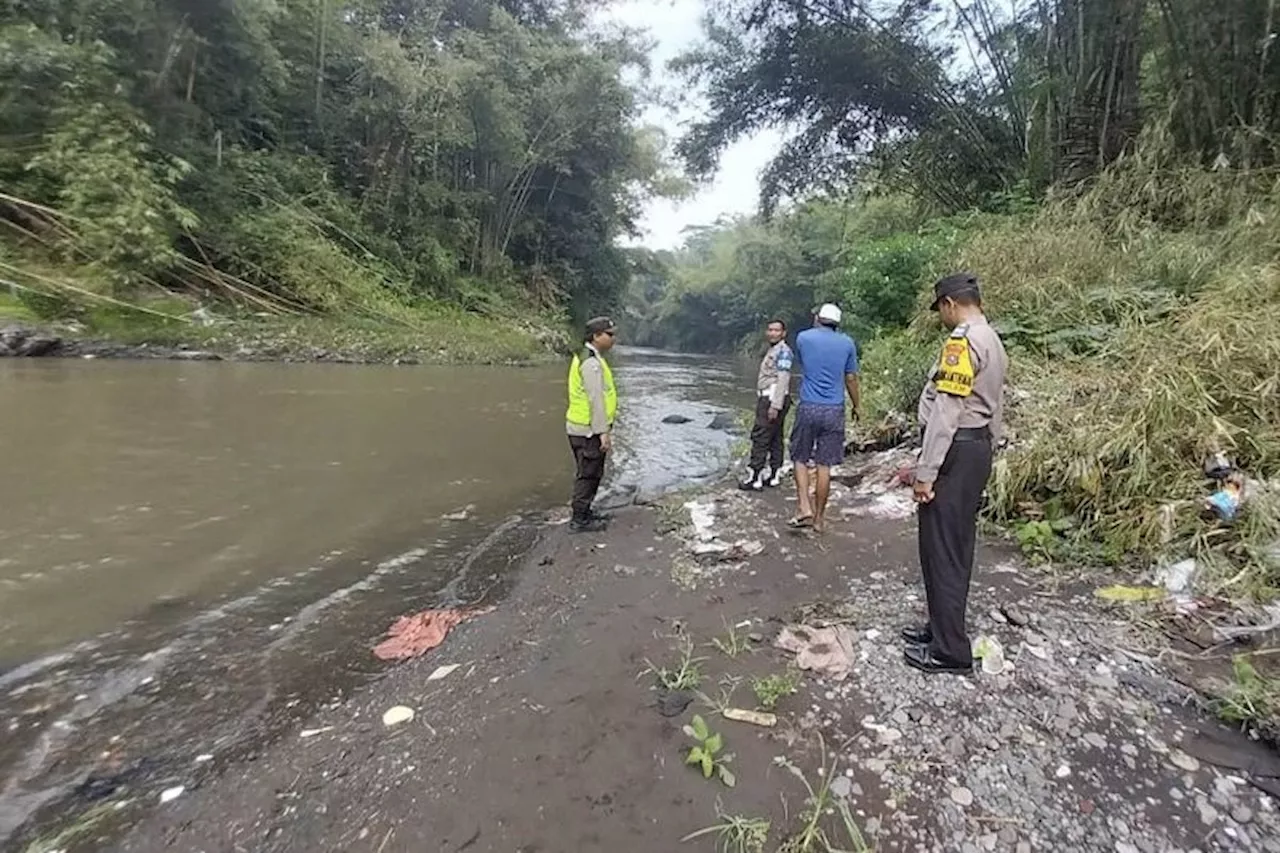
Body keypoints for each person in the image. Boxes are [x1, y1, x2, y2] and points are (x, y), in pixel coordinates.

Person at [903, 273, 1007, 675]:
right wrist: (989, 449)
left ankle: (950, 651)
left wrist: (926, 472)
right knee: (956, 543)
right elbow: (995, 406)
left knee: (941, 547)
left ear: (949, 303)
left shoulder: (962, 343)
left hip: (955, 449)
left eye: (940, 310)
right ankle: (941, 629)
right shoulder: (993, 340)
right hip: (976, 447)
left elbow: (946, 411)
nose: (941, 317)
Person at [788, 303, 859, 533]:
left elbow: (802, 362)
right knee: (824, 465)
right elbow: (851, 378)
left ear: (818, 318)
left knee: (800, 457)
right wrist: (857, 405)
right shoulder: (847, 343)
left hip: (809, 406)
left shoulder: (803, 338)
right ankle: (819, 519)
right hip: (834, 409)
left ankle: (804, 506)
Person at [565, 317, 619, 533]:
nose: (613, 338)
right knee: (588, 474)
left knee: (590, 471)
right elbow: (595, 398)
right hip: (587, 429)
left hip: (582, 426)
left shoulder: (589, 357)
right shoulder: (591, 363)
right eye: (610, 334)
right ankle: (579, 520)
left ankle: (585, 512)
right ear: (596, 336)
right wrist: (602, 432)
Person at [740, 319, 794, 491]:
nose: (772, 333)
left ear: (783, 333)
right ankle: (773, 475)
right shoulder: (774, 350)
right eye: (770, 330)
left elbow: (783, 378)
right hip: (773, 398)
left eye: (776, 330)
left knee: (760, 437)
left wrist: (775, 405)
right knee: (775, 437)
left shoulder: (784, 352)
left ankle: (755, 477)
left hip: (772, 399)